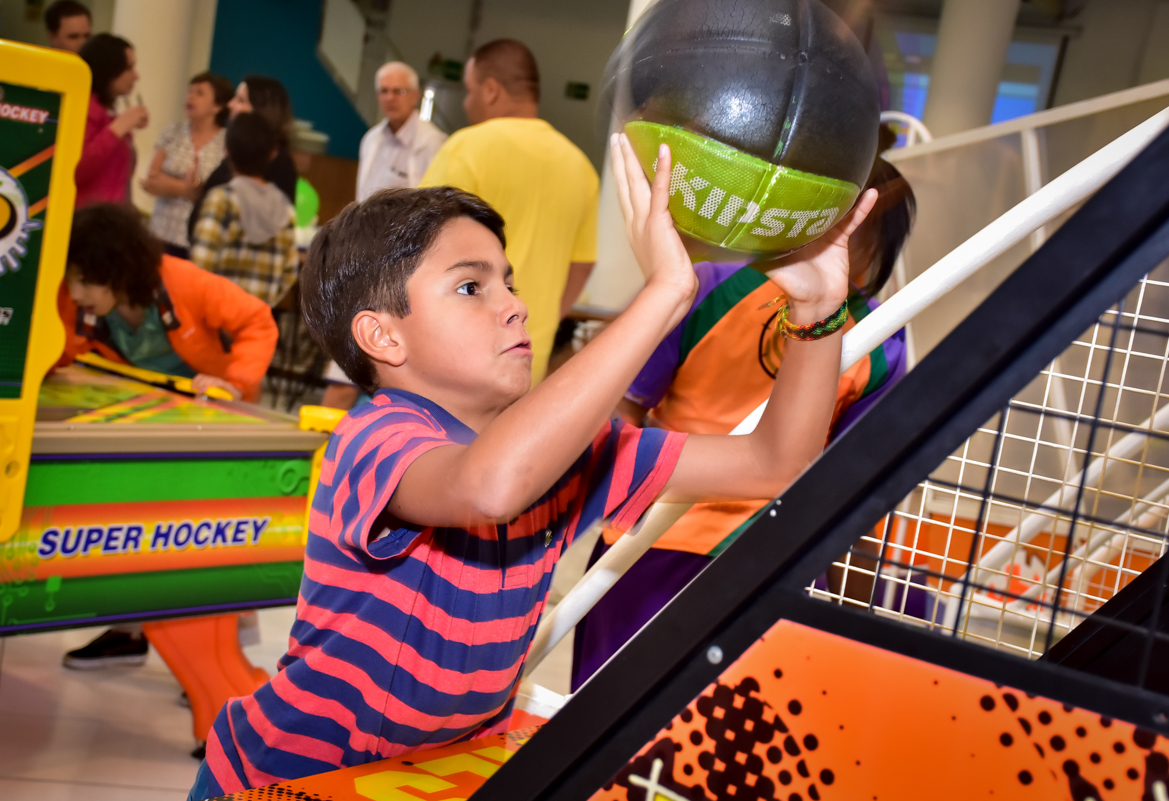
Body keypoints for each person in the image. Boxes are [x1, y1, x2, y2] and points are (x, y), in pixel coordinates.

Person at [184, 136, 878, 797]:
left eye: (507, 281)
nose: (514, 304)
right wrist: (667, 291)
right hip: (288, 776)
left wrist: (817, 313)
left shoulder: (574, 452)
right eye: (470, 288)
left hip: (430, 775)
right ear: (382, 335)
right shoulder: (375, 438)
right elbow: (489, 487)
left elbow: (775, 461)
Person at [571, 151, 918, 690]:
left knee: (605, 720)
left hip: (670, 540)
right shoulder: (877, 342)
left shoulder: (710, 285)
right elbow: (856, 489)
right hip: (726, 550)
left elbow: (621, 409)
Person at [56, 203, 278, 670]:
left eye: (85, 280)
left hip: (213, 425)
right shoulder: (74, 303)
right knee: (131, 528)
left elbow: (257, 320)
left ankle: (219, 665)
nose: (75, 292)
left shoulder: (183, 282)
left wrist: (234, 381)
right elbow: (60, 349)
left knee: (209, 539)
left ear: (114, 269)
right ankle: (127, 632)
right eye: (70, 279)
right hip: (144, 424)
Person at [420, 39, 598, 385]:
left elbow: (416, 247)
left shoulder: (467, 147)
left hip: (458, 355)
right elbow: (583, 263)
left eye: (469, 91)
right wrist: (543, 320)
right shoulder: (581, 167)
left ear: (490, 90)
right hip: (530, 352)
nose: (467, 102)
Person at [190, 112, 298, 308]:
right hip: (257, 319)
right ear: (272, 153)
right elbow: (290, 271)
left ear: (226, 149)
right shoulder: (284, 206)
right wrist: (264, 304)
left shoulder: (221, 199)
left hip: (217, 318)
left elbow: (200, 265)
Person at [188, 75, 297, 241]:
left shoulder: (278, 163)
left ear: (260, 110)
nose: (230, 105)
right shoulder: (239, 150)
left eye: (240, 100)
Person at [144, 72, 234, 258]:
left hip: (200, 237)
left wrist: (169, 182)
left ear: (217, 106)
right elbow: (151, 181)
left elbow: (219, 190)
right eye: (190, 91)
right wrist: (187, 189)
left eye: (199, 93)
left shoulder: (227, 142)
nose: (190, 97)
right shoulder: (172, 132)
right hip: (161, 232)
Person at [357, 61, 446, 201]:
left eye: (398, 91)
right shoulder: (371, 139)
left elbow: (436, 200)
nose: (390, 98)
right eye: (384, 91)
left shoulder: (433, 142)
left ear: (415, 96)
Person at [76, 33, 148, 207]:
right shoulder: (84, 108)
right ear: (109, 70)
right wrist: (119, 127)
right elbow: (78, 171)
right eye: (129, 68)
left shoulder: (107, 112)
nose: (136, 76)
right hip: (87, 219)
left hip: (108, 216)